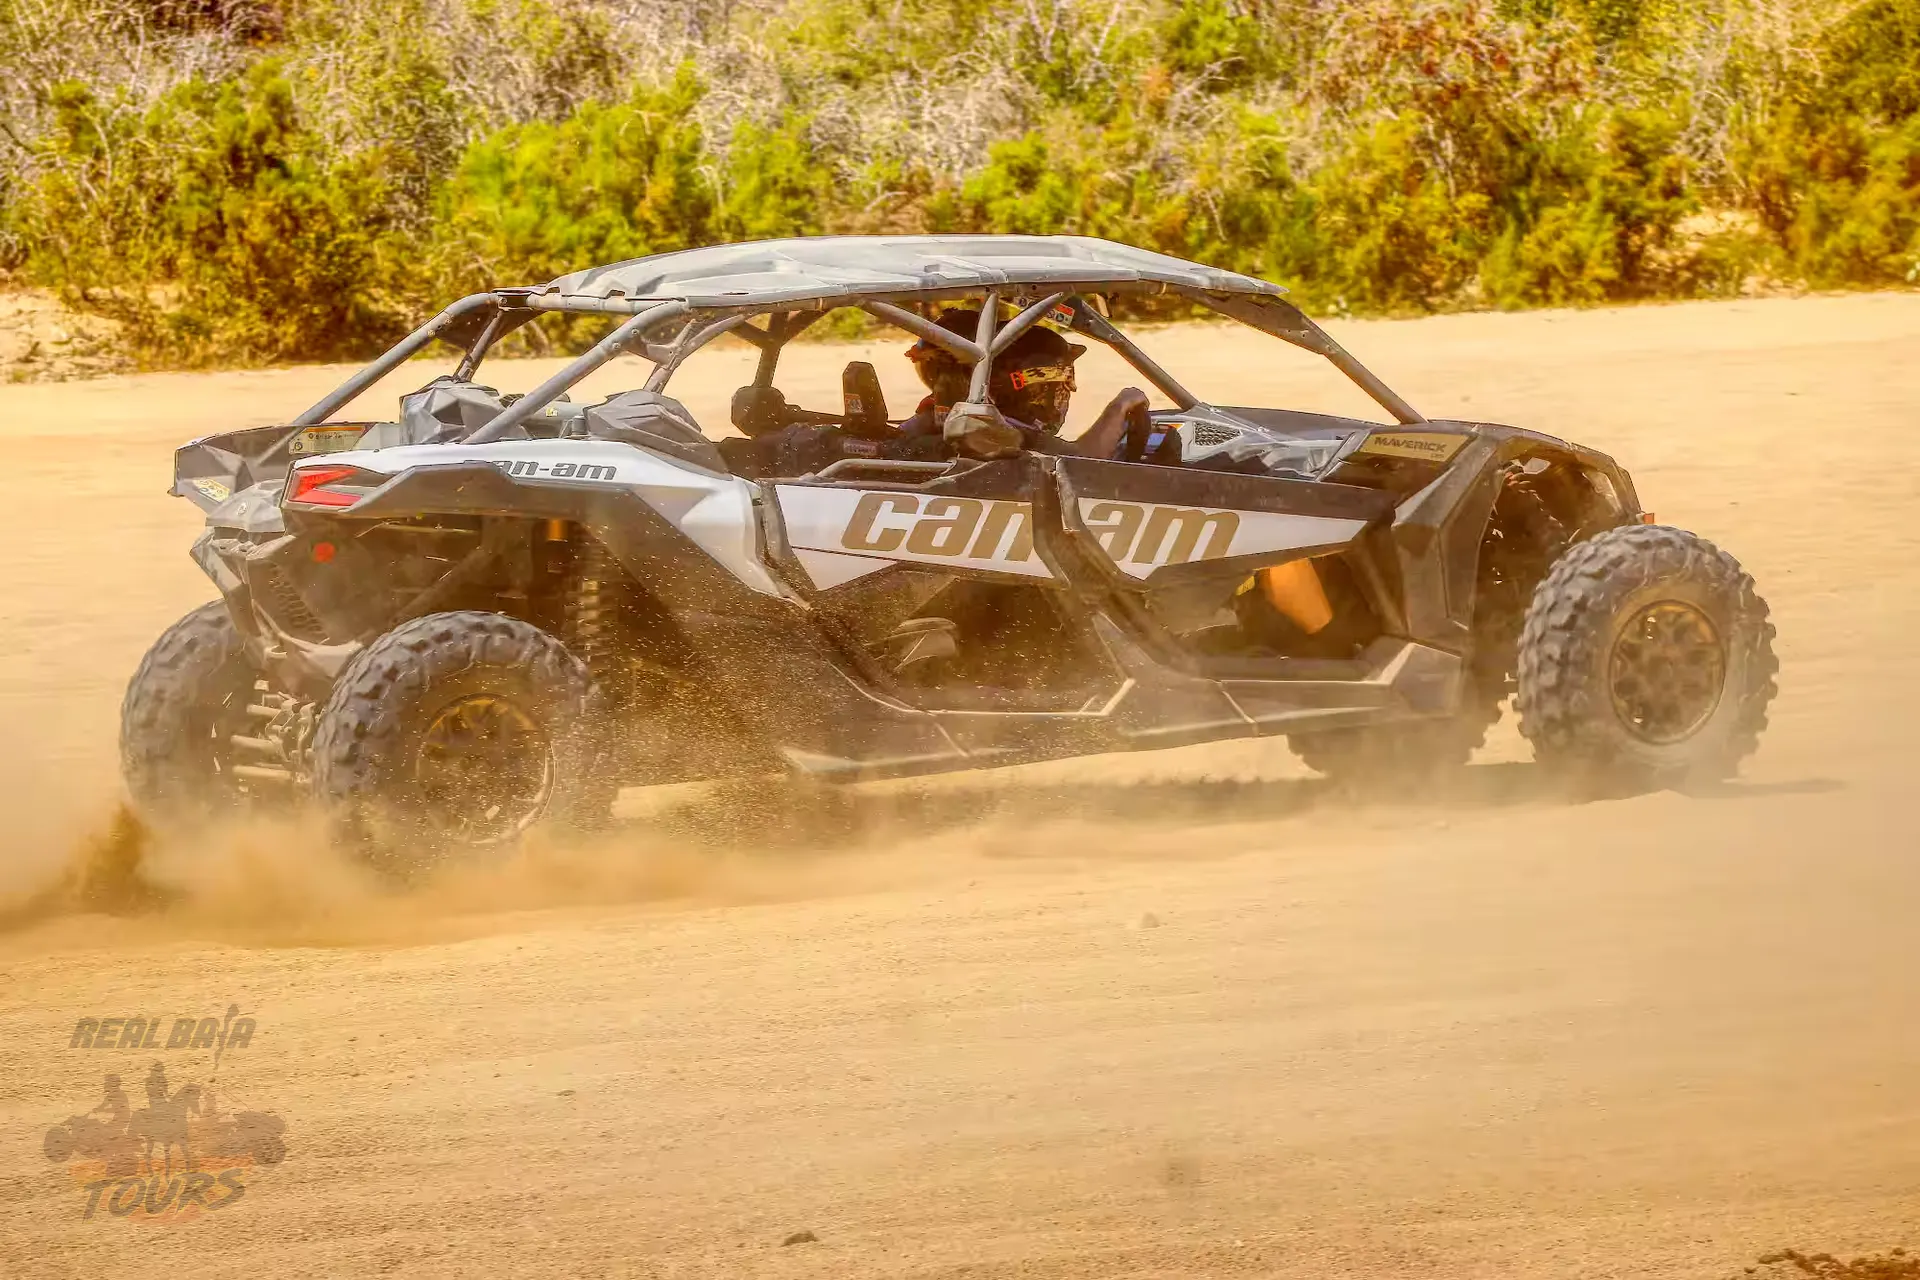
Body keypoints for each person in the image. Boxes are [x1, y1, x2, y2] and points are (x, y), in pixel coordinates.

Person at [900, 308, 1158, 460]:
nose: (1066, 391)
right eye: (1064, 380)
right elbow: (1081, 461)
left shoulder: (926, 424)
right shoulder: (999, 433)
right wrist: (1120, 407)